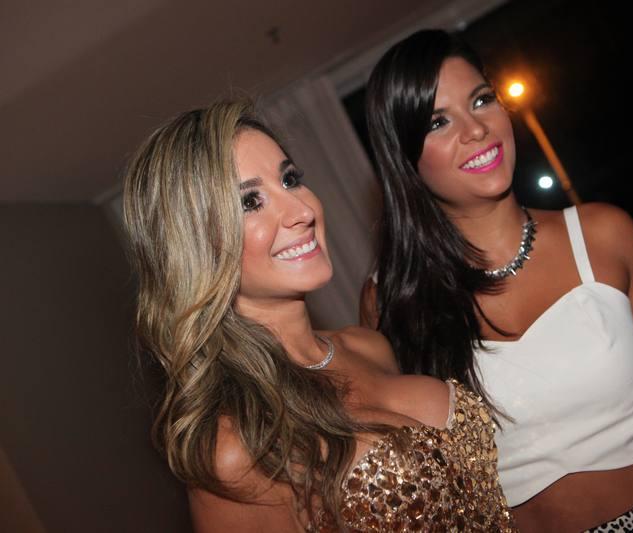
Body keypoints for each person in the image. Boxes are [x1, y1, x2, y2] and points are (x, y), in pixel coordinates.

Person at [360, 29, 633, 532]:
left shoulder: (602, 234)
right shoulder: (390, 302)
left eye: (481, 100)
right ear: (405, 158)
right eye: (439, 121)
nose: (477, 129)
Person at [122, 100, 516, 531]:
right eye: (250, 202)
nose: (303, 211)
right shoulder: (238, 448)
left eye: (290, 180)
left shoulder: (368, 345)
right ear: (196, 249)